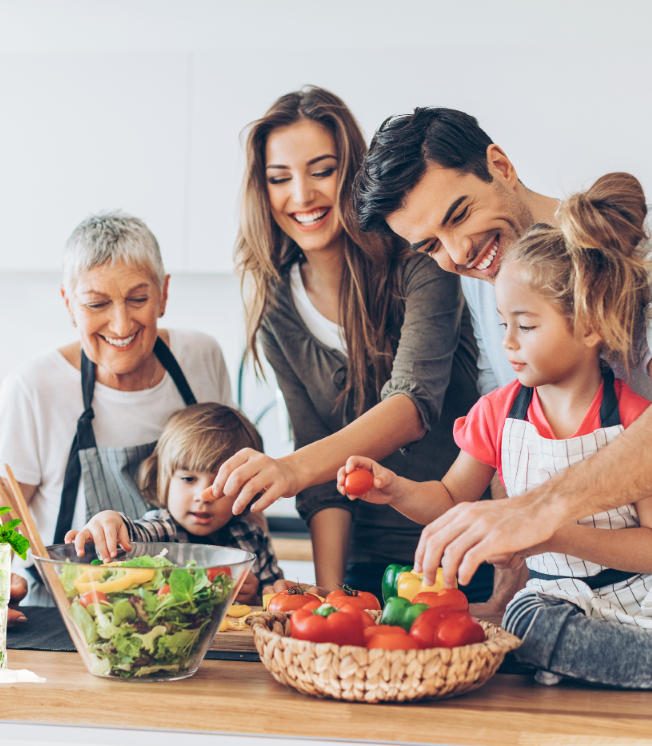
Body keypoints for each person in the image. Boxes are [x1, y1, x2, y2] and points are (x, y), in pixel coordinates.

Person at [338, 178, 652, 706]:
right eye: (503, 323)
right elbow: (448, 499)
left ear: (590, 325)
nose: (506, 342)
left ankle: (610, 658)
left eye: (525, 325)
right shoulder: (496, 414)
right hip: (565, 602)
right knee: (530, 622)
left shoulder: (639, 422)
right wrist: (395, 490)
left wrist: (550, 532)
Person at [354, 108, 652, 594]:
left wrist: (540, 512)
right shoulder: (485, 276)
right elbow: (507, 445)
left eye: (459, 215)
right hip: (565, 595)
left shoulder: (648, 237)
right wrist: (509, 583)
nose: (458, 255)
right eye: (430, 245)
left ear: (500, 165)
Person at [210, 86, 497, 601]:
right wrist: (329, 595)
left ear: (354, 173)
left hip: (463, 552)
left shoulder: (422, 262)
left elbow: (412, 404)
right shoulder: (276, 304)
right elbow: (318, 466)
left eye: (321, 170)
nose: (301, 196)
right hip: (365, 565)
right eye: (280, 178)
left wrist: (288, 470)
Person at [0, 211, 235, 608]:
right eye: (97, 303)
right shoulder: (32, 388)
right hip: (67, 620)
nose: (120, 324)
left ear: (164, 294)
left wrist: (255, 571)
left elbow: (237, 485)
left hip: (185, 611)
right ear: (68, 304)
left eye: (138, 299)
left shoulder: (201, 358)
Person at [64, 403, 284, 604]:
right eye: (188, 479)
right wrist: (110, 520)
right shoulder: (162, 528)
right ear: (163, 480)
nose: (204, 496)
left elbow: (277, 601)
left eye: (222, 484)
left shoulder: (253, 537)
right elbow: (134, 534)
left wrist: (256, 597)